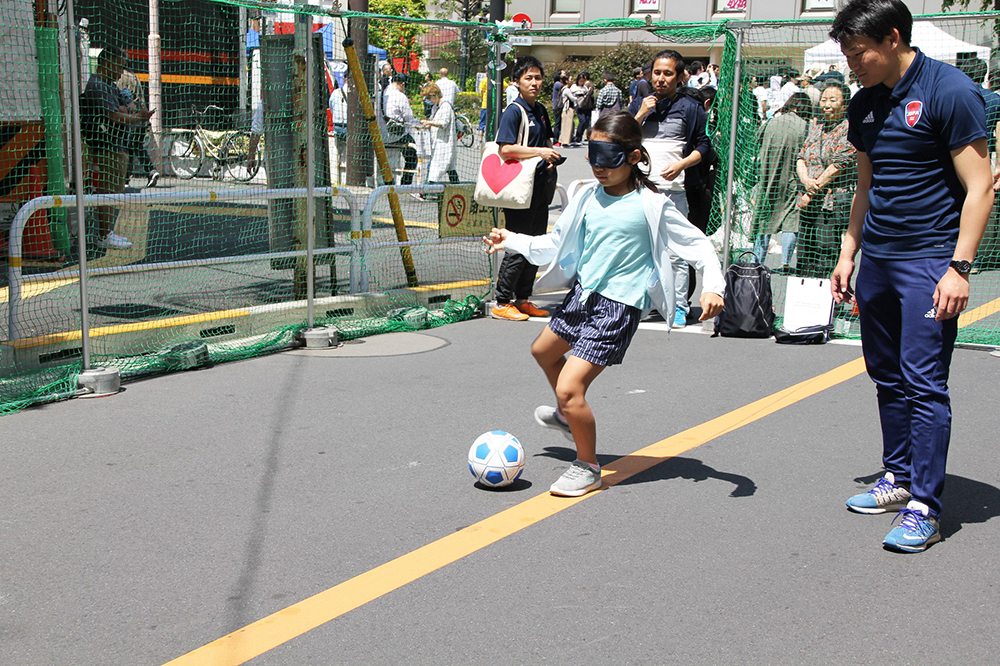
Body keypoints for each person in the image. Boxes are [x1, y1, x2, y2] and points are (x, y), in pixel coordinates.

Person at [482, 111, 725, 496]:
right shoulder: (586, 196)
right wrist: (510, 239)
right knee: (543, 351)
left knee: (569, 386)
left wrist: (713, 286)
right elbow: (554, 243)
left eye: (607, 158)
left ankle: (588, 466)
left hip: (618, 307)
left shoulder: (652, 204)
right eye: (593, 156)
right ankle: (567, 415)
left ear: (632, 157)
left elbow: (698, 246)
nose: (598, 167)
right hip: (583, 295)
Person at [829, 0, 993, 552]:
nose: (852, 65)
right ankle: (898, 478)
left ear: (894, 38)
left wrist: (958, 268)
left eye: (859, 54)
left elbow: (980, 186)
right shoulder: (865, 102)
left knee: (925, 383)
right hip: (877, 260)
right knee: (887, 376)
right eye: (847, 55)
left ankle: (926, 505)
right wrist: (848, 253)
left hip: (930, 262)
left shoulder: (949, 91)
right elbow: (866, 188)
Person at [629, 49, 712, 328]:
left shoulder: (690, 107)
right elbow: (620, 137)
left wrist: (682, 164)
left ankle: (679, 306)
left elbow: (704, 146)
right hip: (641, 190)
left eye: (668, 73)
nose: (661, 79)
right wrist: (640, 113)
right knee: (642, 249)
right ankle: (647, 302)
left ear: (679, 77)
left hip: (675, 190)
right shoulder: (641, 104)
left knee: (676, 251)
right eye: (657, 72)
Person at [489, 56, 561, 322]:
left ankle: (523, 298)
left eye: (538, 77)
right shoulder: (514, 111)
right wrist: (539, 152)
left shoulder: (540, 109)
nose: (534, 82)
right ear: (517, 82)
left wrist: (550, 157)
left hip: (540, 185)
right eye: (528, 78)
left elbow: (547, 140)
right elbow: (505, 148)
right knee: (518, 242)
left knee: (536, 242)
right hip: (520, 188)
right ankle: (502, 300)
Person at [80, 45, 153, 250]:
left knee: (113, 190)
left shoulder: (108, 85)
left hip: (115, 145)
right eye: (119, 66)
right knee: (107, 190)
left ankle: (107, 232)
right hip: (106, 146)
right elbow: (113, 115)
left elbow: (120, 108)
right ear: (108, 62)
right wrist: (135, 118)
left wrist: (136, 114)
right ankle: (103, 234)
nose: (120, 72)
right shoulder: (98, 85)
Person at [795, 81, 856, 279]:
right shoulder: (816, 127)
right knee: (805, 251)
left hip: (830, 204)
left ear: (844, 104)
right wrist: (805, 181)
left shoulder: (848, 130)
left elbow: (838, 166)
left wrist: (811, 191)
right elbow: (801, 157)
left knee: (826, 252)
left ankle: (830, 303)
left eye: (833, 100)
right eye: (823, 99)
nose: (826, 104)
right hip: (808, 201)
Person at [752, 92, 813, 271]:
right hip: (793, 180)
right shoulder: (805, 126)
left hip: (768, 178)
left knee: (765, 221)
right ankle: (785, 262)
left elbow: (756, 142)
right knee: (791, 221)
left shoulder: (771, 122)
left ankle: (757, 261)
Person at [116, 67, 158, 189]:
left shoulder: (119, 78)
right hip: (141, 118)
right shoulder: (133, 76)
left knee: (128, 147)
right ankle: (151, 171)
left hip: (133, 119)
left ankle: (126, 178)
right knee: (136, 146)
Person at [383, 73, 418, 185]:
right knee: (412, 155)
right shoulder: (400, 96)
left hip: (380, 133)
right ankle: (405, 184)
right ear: (402, 84)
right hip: (396, 135)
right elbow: (409, 117)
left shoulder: (382, 93)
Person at [419, 83, 459, 184]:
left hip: (445, 143)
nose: (429, 100)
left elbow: (443, 123)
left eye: (429, 97)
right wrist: (426, 125)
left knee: (435, 169)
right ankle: (458, 188)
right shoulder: (436, 107)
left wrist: (429, 122)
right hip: (438, 143)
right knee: (449, 169)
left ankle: (427, 190)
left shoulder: (446, 106)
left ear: (436, 94)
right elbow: (434, 121)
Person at [571, 72, 595, 145]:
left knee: (585, 121)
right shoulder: (574, 86)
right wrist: (580, 91)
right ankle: (577, 137)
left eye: (582, 81)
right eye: (580, 80)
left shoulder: (584, 86)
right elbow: (571, 91)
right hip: (578, 105)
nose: (581, 82)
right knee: (582, 120)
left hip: (584, 105)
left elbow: (588, 93)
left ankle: (580, 137)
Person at [558, 75, 577, 147]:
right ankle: (565, 142)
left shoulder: (563, 89)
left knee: (564, 125)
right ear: (566, 81)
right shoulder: (567, 90)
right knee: (567, 126)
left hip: (565, 109)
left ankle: (562, 140)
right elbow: (573, 99)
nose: (572, 80)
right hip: (567, 109)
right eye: (570, 79)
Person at [552, 69, 567, 145]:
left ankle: (558, 138)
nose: (565, 74)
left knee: (559, 123)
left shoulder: (559, 83)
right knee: (557, 123)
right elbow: (566, 88)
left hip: (559, 105)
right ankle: (555, 139)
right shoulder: (558, 84)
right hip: (557, 106)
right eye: (563, 73)